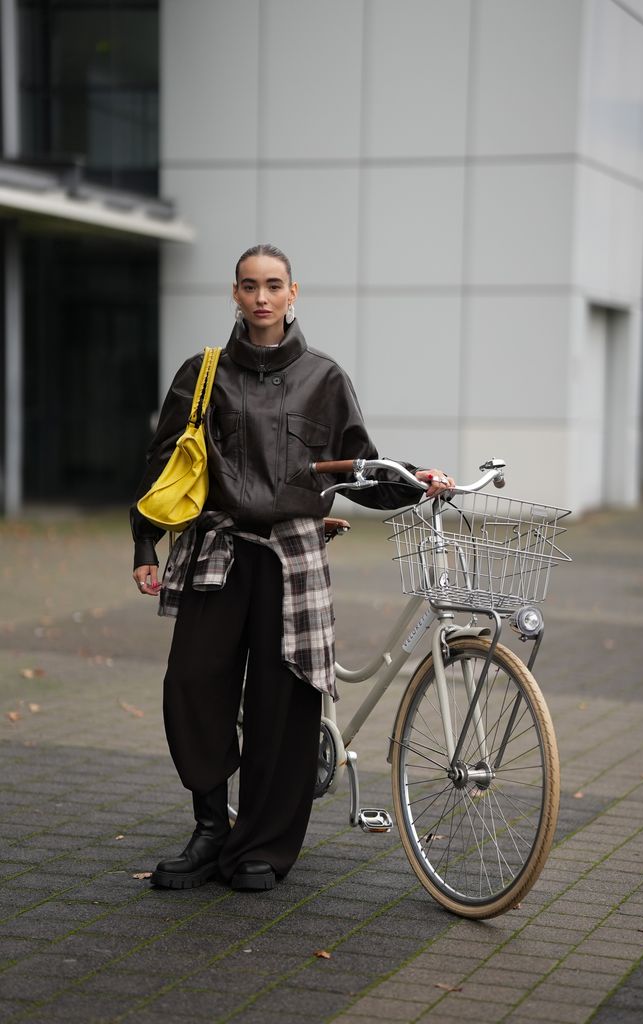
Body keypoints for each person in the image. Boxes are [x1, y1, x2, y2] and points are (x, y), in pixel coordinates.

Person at [131, 243, 454, 892]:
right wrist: (145, 545)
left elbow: (357, 467)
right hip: (216, 552)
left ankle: (260, 848)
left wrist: (415, 484)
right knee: (193, 685)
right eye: (248, 285)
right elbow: (164, 465)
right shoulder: (202, 374)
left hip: (290, 559)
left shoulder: (324, 379)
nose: (260, 297)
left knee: (282, 705)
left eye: (272, 285)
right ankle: (210, 832)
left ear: (292, 292)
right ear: (234, 293)